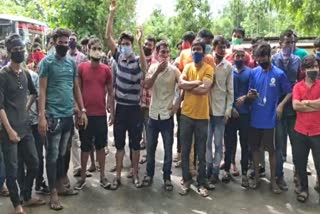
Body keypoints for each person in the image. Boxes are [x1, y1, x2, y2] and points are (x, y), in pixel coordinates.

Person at [38, 28, 88, 210]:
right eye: (61, 43)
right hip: (52, 117)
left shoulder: (71, 63)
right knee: (51, 156)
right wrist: (41, 116)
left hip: (68, 116)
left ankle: (60, 184)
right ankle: (53, 193)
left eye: (67, 43)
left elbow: (75, 88)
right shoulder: (46, 63)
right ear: (54, 42)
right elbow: (41, 90)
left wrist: (81, 109)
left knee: (63, 154)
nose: (64, 46)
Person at [0, 33, 45, 214]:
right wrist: (9, 130)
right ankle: (17, 204)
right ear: (9, 52)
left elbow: (34, 93)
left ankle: (26, 195)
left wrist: (24, 110)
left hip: (25, 128)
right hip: (8, 130)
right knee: (12, 169)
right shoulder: (2, 75)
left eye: (21, 49)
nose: (19, 52)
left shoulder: (26, 73)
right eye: (15, 50)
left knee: (34, 163)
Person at [105, 0, 147, 189]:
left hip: (135, 110)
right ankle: (119, 177)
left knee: (135, 146)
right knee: (120, 145)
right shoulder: (118, 58)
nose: (124, 47)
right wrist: (112, 14)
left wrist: (139, 44)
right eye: (122, 44)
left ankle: (136, 174)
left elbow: (146, 70)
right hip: (121, 108)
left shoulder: (138, 60)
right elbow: (107, 36)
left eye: (127, 44)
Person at [247, 42, 292, 194]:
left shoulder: (279, 74)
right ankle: (258, 178)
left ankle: (273, 181)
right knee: (255, 150)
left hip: (270, 120)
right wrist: (250, 96)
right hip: (255, 119)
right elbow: (251, 92)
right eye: (258, 57)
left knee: (272, 151)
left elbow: (289, 92)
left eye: (263, 57)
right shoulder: (253, 72)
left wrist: (281, 105)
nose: (260, 60)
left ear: (269, 56)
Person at [74, 37, 114, 190]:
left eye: (99, 48)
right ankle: (83, 177)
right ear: (88, 50)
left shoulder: (106, 69)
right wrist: (79, 109)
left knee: (100, 147)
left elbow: (110, 92)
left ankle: (103, 177)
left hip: (100, 115)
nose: (96, 51)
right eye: (94, 48)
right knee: (85, 147)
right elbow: (77, 89)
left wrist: (111, 109)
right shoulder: (81, 68)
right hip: (85, 115)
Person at [142, 40, 181, 191]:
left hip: (167, 116)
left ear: (169, 54)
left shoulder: (174, 70)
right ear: (156, 54)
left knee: (168, 149)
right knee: (150, 148)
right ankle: (149, 175)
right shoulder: (152, 68)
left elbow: (182, 85)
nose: (164, 54)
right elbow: (146, 85)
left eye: (166, 52)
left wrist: (177, 103)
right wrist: (157, 70)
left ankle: (167, 177)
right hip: (153, 115)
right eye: (161, 52)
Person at [178, 38, 214, 197]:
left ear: (204, 51)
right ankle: (186, 179)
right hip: (186, 114)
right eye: (194, 49)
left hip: (202, 117)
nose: (196, 52)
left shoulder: (209, 68)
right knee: (185, 151)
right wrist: (197, 83)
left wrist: (189, 85)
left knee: (201, 152)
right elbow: (180, 84)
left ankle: (201, 182)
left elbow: (204, 89)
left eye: (199, 49)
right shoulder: (186, 67)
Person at [271, 29, 301, 191]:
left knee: (296, 143)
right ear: (280, 42)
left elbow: (298, 82)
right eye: (286, 41)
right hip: (278, 106)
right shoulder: (274, 59)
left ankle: (298, 176)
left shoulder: (297, 60)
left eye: (291, 42)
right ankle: (279, 176)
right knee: (279, 144)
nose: (289, 45)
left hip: (293, 107)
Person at [292, 55, 320, 202]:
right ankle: (304, 189)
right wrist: (314, 105)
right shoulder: (297, 86)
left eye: (316, 66)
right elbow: (295, 106)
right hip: (300, 132)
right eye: (310, 67)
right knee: (300, 163)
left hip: (318, 132)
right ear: (304, 70)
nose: (314, 69)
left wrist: (306, 103)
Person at [207, 36, 233, 184]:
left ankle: (215, 172)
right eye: (219, 47)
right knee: (206, 143)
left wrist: (228, 110)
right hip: (206, 110)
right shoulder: (207, 62)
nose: (222, 49)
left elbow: (231, 91)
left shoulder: (228, 66)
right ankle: (208, 169)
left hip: (220, 111)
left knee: (218, 144)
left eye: (224, 47)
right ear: (213, 47)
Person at [222, 47, 250, 187]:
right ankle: (226, 170)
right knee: (229, 144)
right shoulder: (228, 70)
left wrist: (246, 97)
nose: (239, 58)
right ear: (232, 57)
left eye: (242, 56)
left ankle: (244, 173)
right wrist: (230, 108)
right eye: (237, 56)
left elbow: (253, 93)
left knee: (245, 145)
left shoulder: (250, 72)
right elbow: (224, 92)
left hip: (245, 115)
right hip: (230, 114)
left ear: (245, 57)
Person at [139, 36, 156, 165]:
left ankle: (147, 155)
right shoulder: (137, 59)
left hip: (150, 102)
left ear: (153, 47)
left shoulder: (156, 63)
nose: (147, 46)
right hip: (137, 100)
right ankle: (137, 155)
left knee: (148, 130)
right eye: (145, 44)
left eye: (149, 45)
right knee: (136, 131)